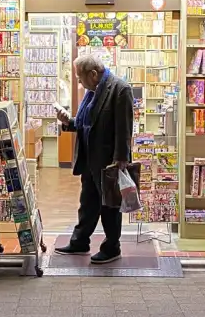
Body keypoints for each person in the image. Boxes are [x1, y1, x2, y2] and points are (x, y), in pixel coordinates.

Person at [54, 54, 133, 264]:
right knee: (88, 202)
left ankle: (112, 247)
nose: (79, 82)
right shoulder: (92, 92)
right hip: (89, 158)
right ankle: (80, 241)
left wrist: (121, 159)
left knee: (109, 206)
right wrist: (67, 121)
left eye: (80, 77)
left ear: (93, 74)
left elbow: (124, 129)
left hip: (108, 160)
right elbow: (85, 123)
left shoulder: (120, 89)